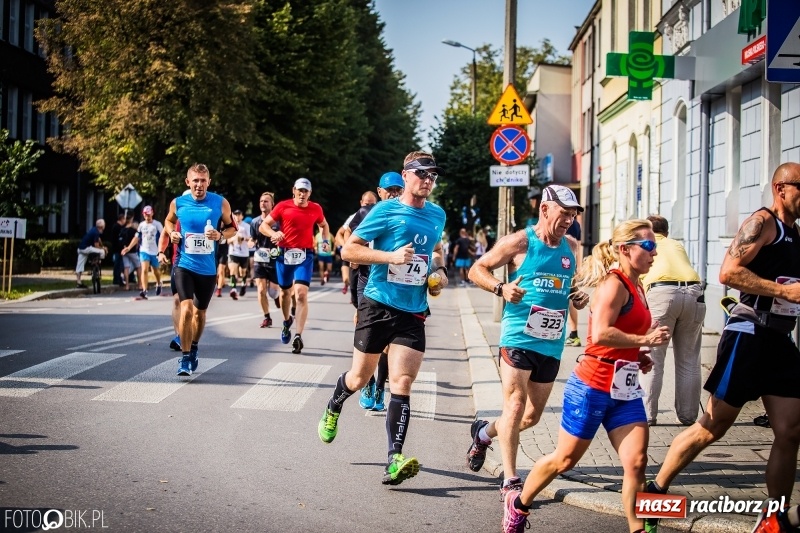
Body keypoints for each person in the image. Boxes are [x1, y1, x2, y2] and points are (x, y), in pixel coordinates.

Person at [645, 163, 800, 533]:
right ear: (781, 188)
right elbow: (728, 273)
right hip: (748, 335)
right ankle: (654, 493)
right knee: (712, 426)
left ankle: (775, 517)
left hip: (780, 340)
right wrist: (781, 291)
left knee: (791, 431)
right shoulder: (763, 224)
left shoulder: (796, 234)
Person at [501, 218, 671, 533]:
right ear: (625, 249)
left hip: (625, 390)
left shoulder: (639, 285)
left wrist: (639, 356)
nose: (654, 253)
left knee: (636, 464)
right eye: (648, 246)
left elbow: (623, 336)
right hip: (592, 386)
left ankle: (637, 529)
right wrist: (644, 341)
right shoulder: (613, 285)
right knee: (564, 460)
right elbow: (602, 333)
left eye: (655, 246)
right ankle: (520, 504)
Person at [317, 152, 448, 486]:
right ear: (406, 176)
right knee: (359, 379)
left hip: (413, 310)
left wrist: (439, 273)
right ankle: (335, 404)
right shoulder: (385, 210)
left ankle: (394, 458)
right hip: (378, 303)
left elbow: (435, 252)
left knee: (402, 381)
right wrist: (390, 256)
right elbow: (349, 250)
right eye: (422, 174)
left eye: (432, 175)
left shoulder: (437, 215)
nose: (428, 180)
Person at [465, 185, 589, 497]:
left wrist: (577, 294)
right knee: (515, 405)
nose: (568, 221)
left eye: (573, 216)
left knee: (530, 417)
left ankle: (484, 434)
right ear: (545, 210)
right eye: (564, 214)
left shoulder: (571, 247)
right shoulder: (520, 241)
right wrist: (500, 288)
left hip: (551, 342)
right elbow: (476, 270)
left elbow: (568, 284)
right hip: (518, 334)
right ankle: (510, 480)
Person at [161, 163, 237, 376]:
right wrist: (172, 234)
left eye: (203, 181)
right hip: (184, 265)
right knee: (185, 309)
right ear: (188, 182)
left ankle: (193, 346)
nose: (199, 185)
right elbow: (168, 221)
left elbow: (232, 229)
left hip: (207, 269)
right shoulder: (178, 203)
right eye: (195, 181)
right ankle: (185, 358)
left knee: (200, 313)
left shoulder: (220, 203)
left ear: (209, 182)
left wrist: (221, 236)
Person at [345, 173, 404, 412]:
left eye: (397, 190)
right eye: (388, 190)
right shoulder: (364, 214)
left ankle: (379, 386)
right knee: (368, 334)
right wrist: (354, 258)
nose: (393, 194)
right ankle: (367, 383)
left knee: (388, 342)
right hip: (367, 280)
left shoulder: (406, 214)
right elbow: (347, 241)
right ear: (379, 192)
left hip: (395, 283)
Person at [638, 214, 704, 426]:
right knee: (689, 359)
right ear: (666, 232)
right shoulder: (676, 245)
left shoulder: (646, 243)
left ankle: (648, 415)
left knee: (654, 355)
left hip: (661, 292)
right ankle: (688, 416)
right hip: (694, 291)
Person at [259, 178, 331, 354]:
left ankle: (298, 336)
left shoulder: (316, 208)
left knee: (300, 294)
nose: (302, 194)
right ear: (294, 190)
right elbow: (263, 226)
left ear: (310, 193)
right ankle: (286, 322)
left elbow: (324, 225)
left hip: (304, 255)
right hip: (284, 254)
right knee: (285, 293)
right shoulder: (283, 206)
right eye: (299, 190)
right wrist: (273, 233)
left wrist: (326, 240)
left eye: (305, 191)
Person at [250, 192, 281, 328]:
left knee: (273, 292)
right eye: (261, 201)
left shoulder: (278, 222)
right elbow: (253, 239)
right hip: (260, 259)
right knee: (261, 290)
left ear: (272, 204)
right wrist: (251, 243)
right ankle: (267, 317)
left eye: (266, 201)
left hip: (275, 260)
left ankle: (277, 297)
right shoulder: (255, 222)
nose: (263, 203)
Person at [128, 205, 164, 299]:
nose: (147, 216)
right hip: (144, 250)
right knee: (144, 269)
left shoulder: (157, 224)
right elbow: (136, 237)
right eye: (145, 215)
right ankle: (144, 290)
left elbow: (164, 236)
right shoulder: (141, 225)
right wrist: (128, 247)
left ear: (152, 213)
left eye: (148, 214)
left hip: (155, 251)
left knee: (155, 270)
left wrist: (162, 250)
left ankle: (159, 283)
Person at [565, 217, 584, 347]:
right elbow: (578, 247)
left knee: (568, 299)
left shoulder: (564, 222)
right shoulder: (576, 224)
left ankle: (572, 334)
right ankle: (574, 333)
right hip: (571, 265)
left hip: (562, 263)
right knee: (571, 299)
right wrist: (578, 266)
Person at [227, 209, 251, 300]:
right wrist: (233, 239)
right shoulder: (230, 226)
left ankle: (243, 284)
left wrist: (243, 238)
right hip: (233, 252)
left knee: (243, 272)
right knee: (232, 271)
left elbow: (250, 238)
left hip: (244, 253)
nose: (237, 216)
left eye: (239, 214)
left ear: (242, 216)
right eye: (235, 214)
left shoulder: (246, 226)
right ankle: (233, 289)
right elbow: (227, 240)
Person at [75, 219, 107, 288]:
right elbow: (96, 245)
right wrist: (103, 249)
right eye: (104, 225)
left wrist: (102, 246)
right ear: (101, 226)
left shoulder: (93, 229)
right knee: (102, 252)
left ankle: (78, 282)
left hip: (80, 248)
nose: (105, 226)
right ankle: (96, 261)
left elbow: (98, 239)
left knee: (80, 265)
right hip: (87, 248)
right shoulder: (96, 232)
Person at [119, 216, 142, 293]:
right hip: (132, 251)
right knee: (138, 266)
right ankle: (140, 285)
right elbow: (136, 240)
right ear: (131, 220)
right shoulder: (133, 231)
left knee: (126, 267)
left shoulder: (122, 230)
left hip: (124, 251)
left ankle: (127, 285)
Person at [109, 213, 126, 286]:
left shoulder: (115, 226)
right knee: (118, 264)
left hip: (116, 248)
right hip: (118, 249)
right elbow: (119, 239)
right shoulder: (118, 227)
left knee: (118, 264)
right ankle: (117, 279)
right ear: (122, 219)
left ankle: (117, 278)